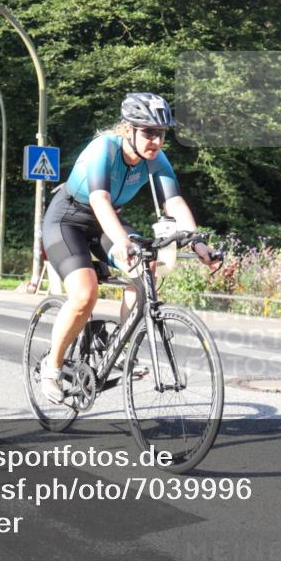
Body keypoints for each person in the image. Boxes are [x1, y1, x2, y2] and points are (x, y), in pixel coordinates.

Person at [39, 92, 217, 403]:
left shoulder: (156, 159)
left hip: (106, 221)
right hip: (67, 220)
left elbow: (174, 202)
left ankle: (118, 346)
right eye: (148, 132)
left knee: (147, 267)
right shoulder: (103, 148)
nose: (156, 141)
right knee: (85, 294)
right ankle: (52, 366)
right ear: (127, 129)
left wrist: (197, 240)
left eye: (161, 133)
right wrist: (122, 241)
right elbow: (99, 199)